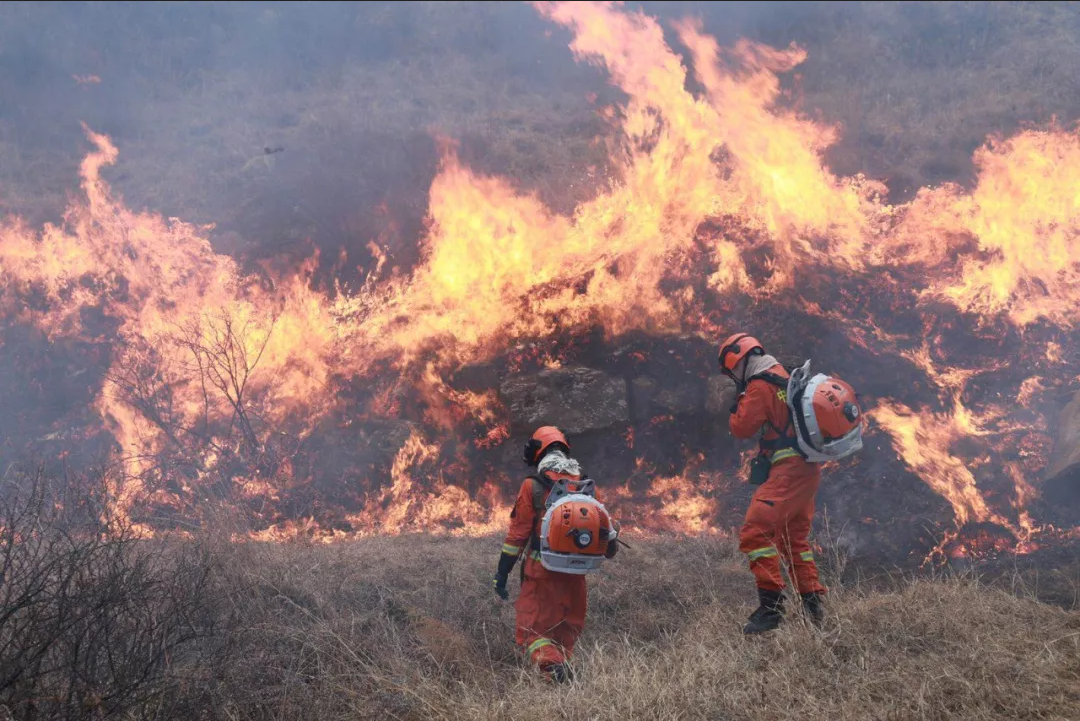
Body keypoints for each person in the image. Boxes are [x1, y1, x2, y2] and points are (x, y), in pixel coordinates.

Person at [719, 333, 827, 634]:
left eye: (731, 373)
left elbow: (741, 428)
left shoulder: (759, 386)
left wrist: (735, 402)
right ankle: (813, 606)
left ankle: (771, 608)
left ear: (737, 362)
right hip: (807, 469)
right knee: (795, 541)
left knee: (755, 532)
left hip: (788, 471)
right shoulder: (786, 376)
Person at [491, 426, 617, 682]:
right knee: (564, 634)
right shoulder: (587, 486)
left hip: (542, 574)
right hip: (577, 575)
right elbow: (607, 536)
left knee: (533, 633)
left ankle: (553, 671)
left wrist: (502, 573)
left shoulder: (533, 486)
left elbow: (517, 537)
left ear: (536, 453)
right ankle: (564, 674)